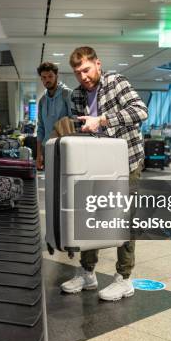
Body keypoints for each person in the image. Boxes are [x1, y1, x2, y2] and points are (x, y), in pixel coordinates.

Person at [62, 46, 148, 301]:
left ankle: (124, 279)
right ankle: (87, 272)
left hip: (127, 161)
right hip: (96, 162)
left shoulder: (116, 82)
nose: (83, 76)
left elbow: (140, 111)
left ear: (98, 64)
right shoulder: (77, 95)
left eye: (86, 70)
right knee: (91, 214)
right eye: (78, 73)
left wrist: (101, 120)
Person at [36, 62, 73, 170]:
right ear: (41, 79)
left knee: (65, 182)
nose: (47, 80)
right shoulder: (42, 101)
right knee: (50, 183)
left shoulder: (67, 94)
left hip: (64, 148)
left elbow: (75, 121)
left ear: (57, 76)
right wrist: (39, 154)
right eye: (44, 77)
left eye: (50, 76)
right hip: (46, 148)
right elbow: (40, 128)